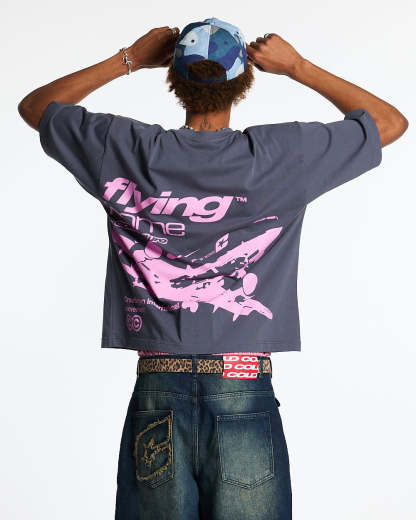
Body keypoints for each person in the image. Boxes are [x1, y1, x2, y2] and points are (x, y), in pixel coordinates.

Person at [18, 16, 408, 520]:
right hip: (242, 384)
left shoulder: (126, 148)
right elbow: (389, 123)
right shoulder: (278, 156)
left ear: (173, 79)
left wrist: (129, 59)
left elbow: (37, 107)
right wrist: (298, 67)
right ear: (244, 82)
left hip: (158, 385)